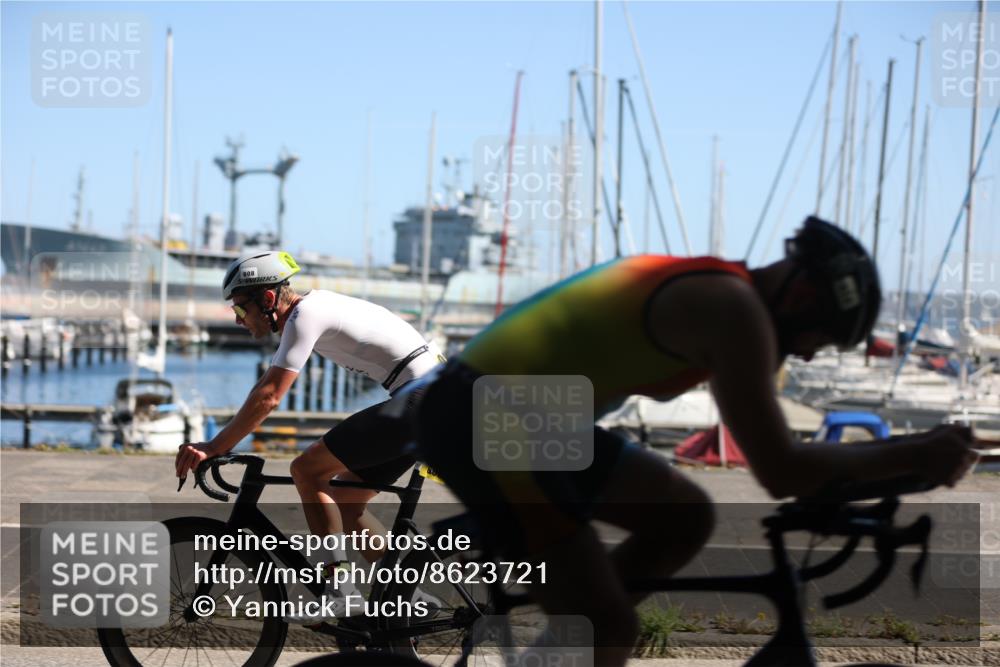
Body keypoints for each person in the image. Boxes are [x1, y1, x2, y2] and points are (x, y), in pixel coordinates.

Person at [414, 216, 978, 666]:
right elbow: (781, 470)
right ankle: (581, 622)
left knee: (684, 516)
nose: (808, 355)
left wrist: (912, 454)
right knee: (608, 625)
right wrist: (915, 454)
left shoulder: (733, 295)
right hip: (488, 418)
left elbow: (788, 462)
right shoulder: (731, 308)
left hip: (528, 414)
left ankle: (561, 645)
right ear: (802, 296)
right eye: (820, 339)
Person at [175, 250, 444, 620]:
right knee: (345, 502)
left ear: (268, 299)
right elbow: (267, 392)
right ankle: (403, 591)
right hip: (429, 399)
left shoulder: (305, 315)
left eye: (240, 309)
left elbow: (269, 396)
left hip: (422, 398)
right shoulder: (313, 312)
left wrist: (213, 446)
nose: (238, 320)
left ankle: (340, 587)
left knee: (306, 470)